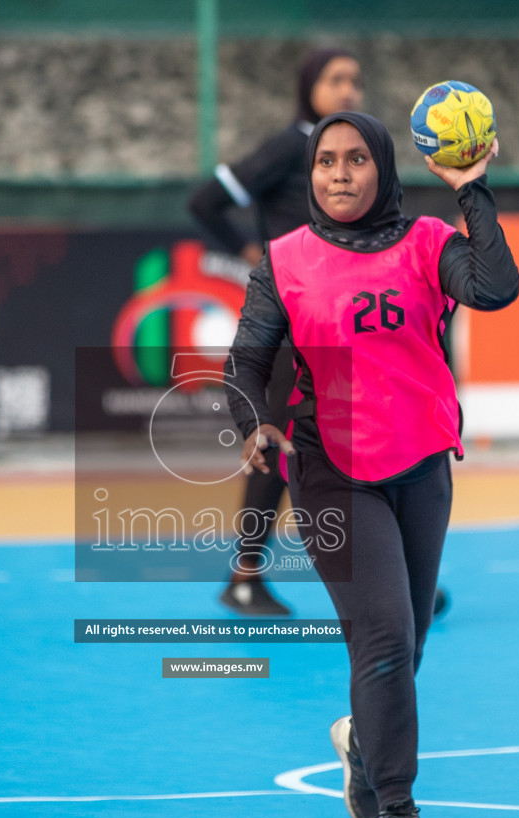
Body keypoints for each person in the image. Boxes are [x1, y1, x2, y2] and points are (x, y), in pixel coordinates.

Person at [223, 112, 519, 818]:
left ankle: (361, 737)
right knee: (383, 635)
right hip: (332, 472)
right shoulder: (285, 261)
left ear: (383, 169)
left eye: (357, 159)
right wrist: (256, 426)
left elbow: (497, 286)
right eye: (326, 161)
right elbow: (244, 366)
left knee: (407, 641)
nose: (341, 174)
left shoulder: (426, 244)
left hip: (421, 464)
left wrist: (472, 191)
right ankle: (397, 813)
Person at [188, 48, 361, 618]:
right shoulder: (294, 145)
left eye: (354, 82)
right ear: (309, 86)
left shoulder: (344, 153)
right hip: (293, 323)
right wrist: (255, 255)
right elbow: (206, 202)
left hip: (335, 321)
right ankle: (245, 575)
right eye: (335, 79)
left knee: (342, 442)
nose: (348, 91)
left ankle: (388, 572)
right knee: (285, 441)